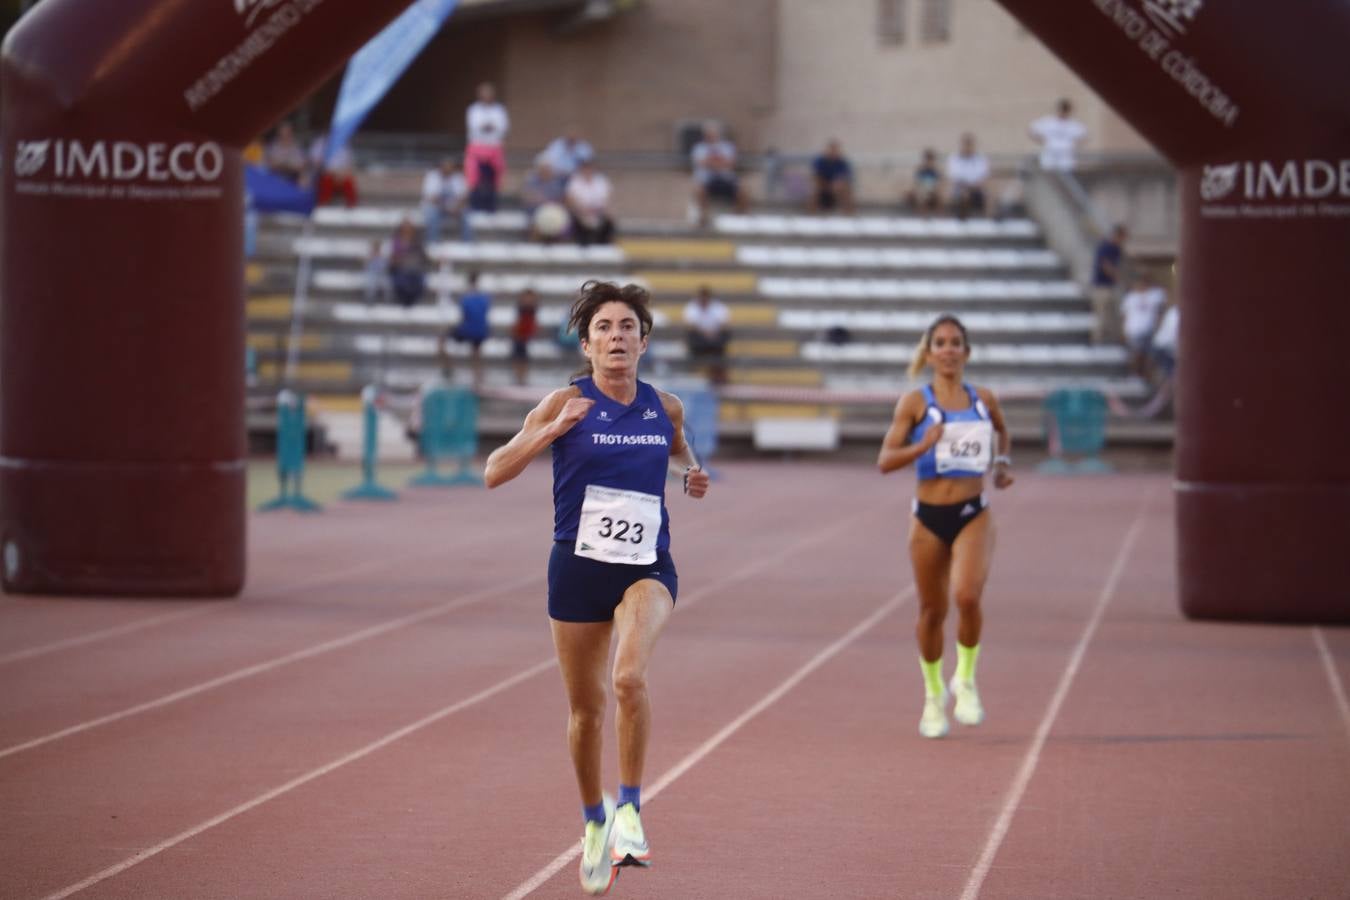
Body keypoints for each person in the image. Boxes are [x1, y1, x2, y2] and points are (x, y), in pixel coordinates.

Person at [483, 280, 710, 895]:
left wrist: (692, 474)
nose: (617, 336)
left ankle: (631, 808)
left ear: (643, 341)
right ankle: (593, 820)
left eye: (627, 327)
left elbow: (684, 452)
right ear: (587, 344)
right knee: (585, 711)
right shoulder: (561, 401)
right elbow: (494, 472)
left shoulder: (665, 406)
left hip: (646, 567)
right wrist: (549, 431)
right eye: (604, 328)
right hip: (577, 568)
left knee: (629, 678)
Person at [877, 314, 1014, 739]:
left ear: (967, 352)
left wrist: (1003, 464)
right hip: (928, 517)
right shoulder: (915, 403)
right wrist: (924, 444)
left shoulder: (984, 399)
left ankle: (966, 680)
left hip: (973, 512)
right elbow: (885, 461)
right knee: (933, 610)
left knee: (967, 596)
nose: (949, 349)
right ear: (930, 352)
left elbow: (1002, 434)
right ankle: (933, 695)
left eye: (956, 342)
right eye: (941, 342)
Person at [690, 121, 748, 225]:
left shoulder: (728, 147)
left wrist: (712, 163)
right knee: (699, 191)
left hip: (726, 180)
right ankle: (703, 218)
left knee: (743, 191)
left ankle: (739, 218)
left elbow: (731, 163)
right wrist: (719, 163)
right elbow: (701, 163)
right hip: (707, 181)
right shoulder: (699, 148)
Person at [442, 270, 491, 386]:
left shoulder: (466, 298)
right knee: (476, 353)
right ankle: (478, 379)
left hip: (470, 330)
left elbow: (464, 317)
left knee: (442, 341)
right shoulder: (484, 297)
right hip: (481, 331)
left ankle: (449, 370)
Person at [464, 81, 509, 192]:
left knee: (497, 173)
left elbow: (503, 127)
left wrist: (487, 126)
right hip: (477, 147)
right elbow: (474, 127)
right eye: (484, 93)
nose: (486, 96)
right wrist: (489, 126)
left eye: (489, 93)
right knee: (473, 175)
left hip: (494, 146)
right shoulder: (473, 109)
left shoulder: (499, 110)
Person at [682, 285, 731, 385]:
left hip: (715, 338)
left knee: (724, 337)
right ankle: (696, 365)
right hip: (699, 338)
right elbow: (691, 326)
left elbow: (724, 324)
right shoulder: (691, 307)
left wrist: (712, 333)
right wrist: (706, 333)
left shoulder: (718, 307)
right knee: (691, 335)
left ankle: (719, 374)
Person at [1119, 273, 1166, 378]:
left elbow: (1161, 311)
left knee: (1149, 357)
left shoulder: (1155, 295)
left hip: (1149, 330)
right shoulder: (1130, 297)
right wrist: (1123, 331)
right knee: (1136, 355)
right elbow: (1124, 316)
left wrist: (1158, 327)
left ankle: (1145, 377)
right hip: (1133, 330)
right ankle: (1135, 375)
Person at [1089, 224, 1128, 345]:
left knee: (1113, 313)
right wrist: (1117, 278)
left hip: (1110, 286)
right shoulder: (1107, 246)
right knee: (1101, 313)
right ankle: (1097, 339)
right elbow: (1105, 265)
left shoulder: (1116, 249)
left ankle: (1113, 337)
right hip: (1102, 285)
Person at [565, 158, 616, 246]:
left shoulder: (601, 181)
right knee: (577, 222)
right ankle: (582, 245)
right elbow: (570, 199)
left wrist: (602, 210)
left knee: (609, 221)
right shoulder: (575, 182)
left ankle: (604, 246)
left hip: (598, 212)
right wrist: (582, 210)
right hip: (580, 212)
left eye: (590, 169)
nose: (588, 171)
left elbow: (607, 198)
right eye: (585, 169)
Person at [1028, 98, 1088, 172]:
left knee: (1066, 174)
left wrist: (1072, 145)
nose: (1062, 112)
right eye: (1061, 109)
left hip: (1066, 155)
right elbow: (1032, 130)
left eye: (1065, 110)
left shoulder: (1074, 124)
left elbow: (1083, 136)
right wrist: (1042, 141)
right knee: (1049, 172)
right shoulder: (1048, 121)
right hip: (1050, 153)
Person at [421, 157, 470, 245]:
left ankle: (467, 244)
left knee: (466, 213)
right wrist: (446, 207)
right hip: (436, 206)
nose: (448, 170)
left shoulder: (457, 177)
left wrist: (456, 206)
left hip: (453, 207)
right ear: (441, 167)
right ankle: (433, 243)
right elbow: (431, 198)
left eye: (450, 168)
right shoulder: (432, 176)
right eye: (445, 167)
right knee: (432, 214)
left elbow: (463, 196)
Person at [309, 132, 358, 208]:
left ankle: (352, 207)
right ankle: (322, 206)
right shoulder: (320, 143)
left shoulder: (344, 143)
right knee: (326, 179)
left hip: (341, 174)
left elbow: (349, 164)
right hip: (325, 173)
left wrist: (342, 173)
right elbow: (315, 162)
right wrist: (331, 172)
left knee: (348, 181)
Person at [387, 218, 428, 308]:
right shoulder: (397, 241)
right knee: (401, 281)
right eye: (405, 227)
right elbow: (393, 258)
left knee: (420, 280)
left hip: (415, 268)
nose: (407, 229)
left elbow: (423, 256)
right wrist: (399, 260)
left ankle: (413, 300)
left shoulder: (417, 241)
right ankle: (404, 300)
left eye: (408, 227)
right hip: (401, 268)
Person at [946, 133, 989, 218]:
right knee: (963, 193)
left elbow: (983, 178)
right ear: (962, 145)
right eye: (966, 144)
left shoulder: (980, 159)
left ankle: (988, 219)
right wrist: (967, 186)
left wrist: (973, 186)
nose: (967, 147)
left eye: (970, 144)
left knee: (989, 192)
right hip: (959, 189)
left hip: (976, 189)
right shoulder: (954, 159)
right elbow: (955, 178)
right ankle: (963, 216)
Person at [809, 138, 855, 214]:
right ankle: (811, 215)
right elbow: (815, 176)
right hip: (822, 186)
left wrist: (838, 183)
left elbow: (846, 177)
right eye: (831, 150)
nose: (833, 152)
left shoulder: (842, 162)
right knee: (814, 188)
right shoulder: (820, 161)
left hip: (836, 187)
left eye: (835, 150)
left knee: (846, 190)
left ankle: (848, 215)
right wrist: (826, 185)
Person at [511, 288, 540, 385]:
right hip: (519, 333)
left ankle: (522, 377)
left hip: (525, 334)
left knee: (523, 357)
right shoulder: (521, 306)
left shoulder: (532, 308)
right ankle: (518, 377)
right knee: (518, 356)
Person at [906, 148, 942, 214]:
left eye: (930, 160)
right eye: (927, 160)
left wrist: (933, 190)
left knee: (936, 196)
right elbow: (916, 183)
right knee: (919, 196)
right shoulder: (920, 171)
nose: (928, 162)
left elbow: (939, 183)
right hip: (922, 190)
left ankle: (939, 216)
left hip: (932, 190)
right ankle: (922, 215)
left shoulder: (935, 171)